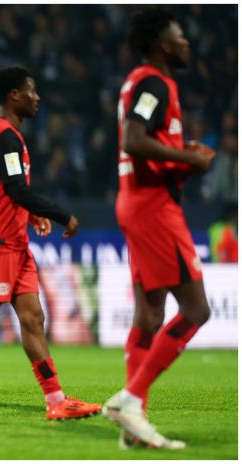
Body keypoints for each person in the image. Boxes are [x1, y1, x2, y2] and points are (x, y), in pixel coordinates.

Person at [0, 65, 101, 422]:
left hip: (14, 243)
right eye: (31, 90)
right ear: (15, 95)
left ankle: (56, 400)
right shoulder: (5, 136)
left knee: (33, 317)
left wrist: (29, 215)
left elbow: (3, 187)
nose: (37, 97)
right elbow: (17, 189)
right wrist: (62, 214)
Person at [103, 7, 215, 449]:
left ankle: (135, 423)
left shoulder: (141, 82)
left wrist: (177, 153)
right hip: (153, 208)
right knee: (196, 310)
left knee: (149, 314)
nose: (187, 42)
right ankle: (130, 400)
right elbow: (133, 138)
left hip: (137, 201)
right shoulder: (153, 81)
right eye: (180, 35)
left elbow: (144, 141)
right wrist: (190, 159)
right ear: (162, 43)